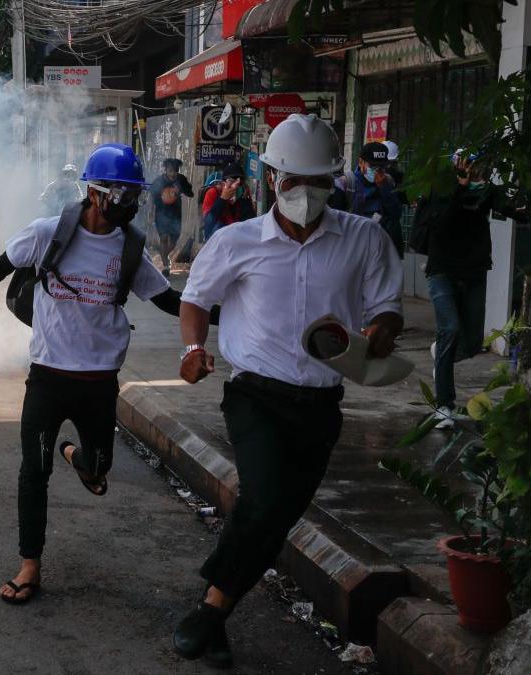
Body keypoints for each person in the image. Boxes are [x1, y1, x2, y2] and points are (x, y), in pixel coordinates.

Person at [172, 114, 403, 669]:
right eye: (295, 180)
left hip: (322, 405)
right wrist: (191, 350)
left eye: (318, 181)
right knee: (263, 499)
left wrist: (378, 333)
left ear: (334, 182)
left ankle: (215, 614)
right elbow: (196, 300)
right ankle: (206, 611)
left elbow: (387, 310)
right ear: (273, 177)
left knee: (275, 516)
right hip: (255, 396)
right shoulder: (236, 241)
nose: (306, 193)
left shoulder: (364, 239)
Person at [0, 143, 220, 607]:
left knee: (98, 474)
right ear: (96, 193)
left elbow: (168, 301)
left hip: (99, 383)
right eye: (123, 194)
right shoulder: (50, 232)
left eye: (135, 195)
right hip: (48, 379)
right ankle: (30, 565)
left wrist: (229, 316)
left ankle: (76, 454)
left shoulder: (131, 248)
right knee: (33, 473)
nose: (131, 204)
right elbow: (4, 262)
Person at [414, 152, 531, 429]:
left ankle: (441, 355)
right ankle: (444, 405)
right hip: (442, 271)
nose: (478, 171)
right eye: (471, 165)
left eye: (482, 166)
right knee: (450, 329)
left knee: (471, 342)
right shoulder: (441, 190)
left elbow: (509, 208)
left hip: (474, 272)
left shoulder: (487, 192)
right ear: (458, 166)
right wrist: (460, 188)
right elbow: (440, 222)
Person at [330, 142, 404, 257]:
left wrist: (384, 188)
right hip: (353, 251)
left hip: (379, 249)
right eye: (373, 167)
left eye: (382, 167)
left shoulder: (387, 182)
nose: (378, 172)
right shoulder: (345, 184)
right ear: (361, 163)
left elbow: (396, 214)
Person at [148, 157, 194, 270]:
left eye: (175, 171)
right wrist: (150, 212)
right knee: (163, 238)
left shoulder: (181, 180)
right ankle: (165, 267)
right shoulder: (159, 181)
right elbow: (152, 197)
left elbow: (191, 194)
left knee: (173, 241)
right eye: (170, 171)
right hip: (161, 213)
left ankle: (164, 255)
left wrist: (181, 190)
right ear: (166, 170)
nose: (173, 174)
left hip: (176, 214)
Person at [200, 162, 254, 241]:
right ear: (223, 183)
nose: (235, 187)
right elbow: (208, 225)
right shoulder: (213, 193)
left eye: (239, 184)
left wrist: (245, 201)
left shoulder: (242, 197)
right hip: (218, 241)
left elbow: (250, 226)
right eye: (232, 181)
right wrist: (222, 199)